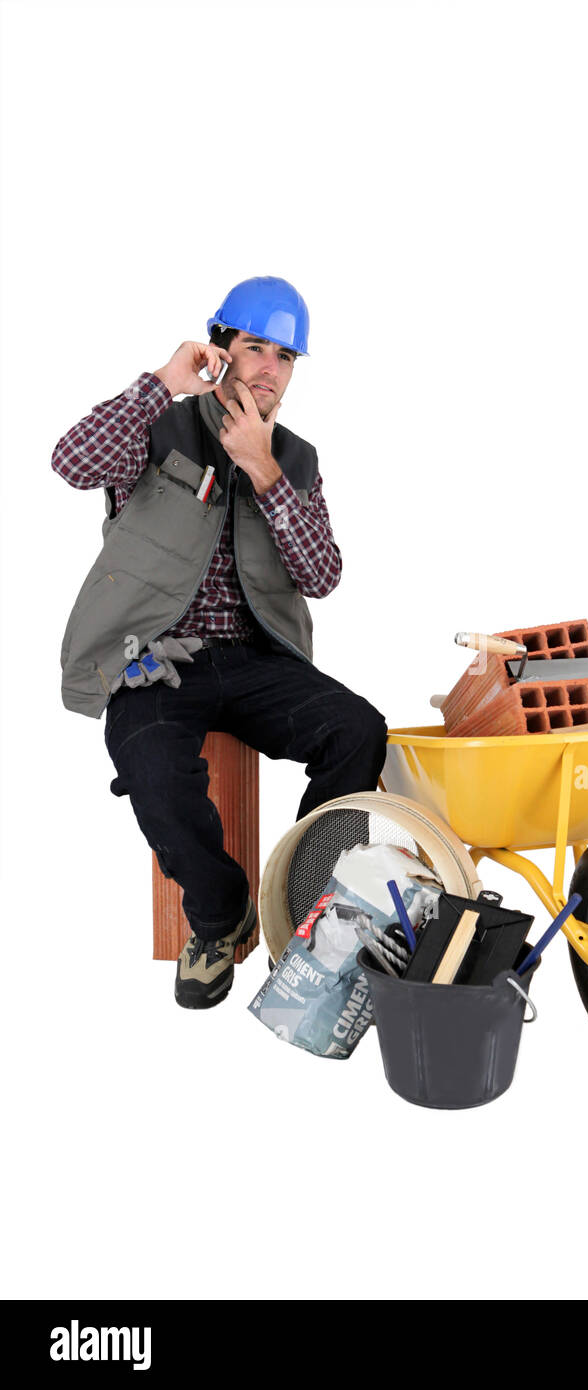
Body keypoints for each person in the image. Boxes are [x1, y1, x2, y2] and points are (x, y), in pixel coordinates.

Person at [52, 276, 388, 1010]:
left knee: (359, 729)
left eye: (286, 356)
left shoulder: (295, 459)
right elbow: (71, 462)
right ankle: (218, 915)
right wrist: (162, 383)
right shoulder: (159, 427)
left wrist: (264, 470)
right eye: (255, 347)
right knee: (148, 762)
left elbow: (322, 574)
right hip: (157, 660)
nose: (270, 367)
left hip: (258, 662)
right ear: (221, 348)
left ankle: (307, 910)